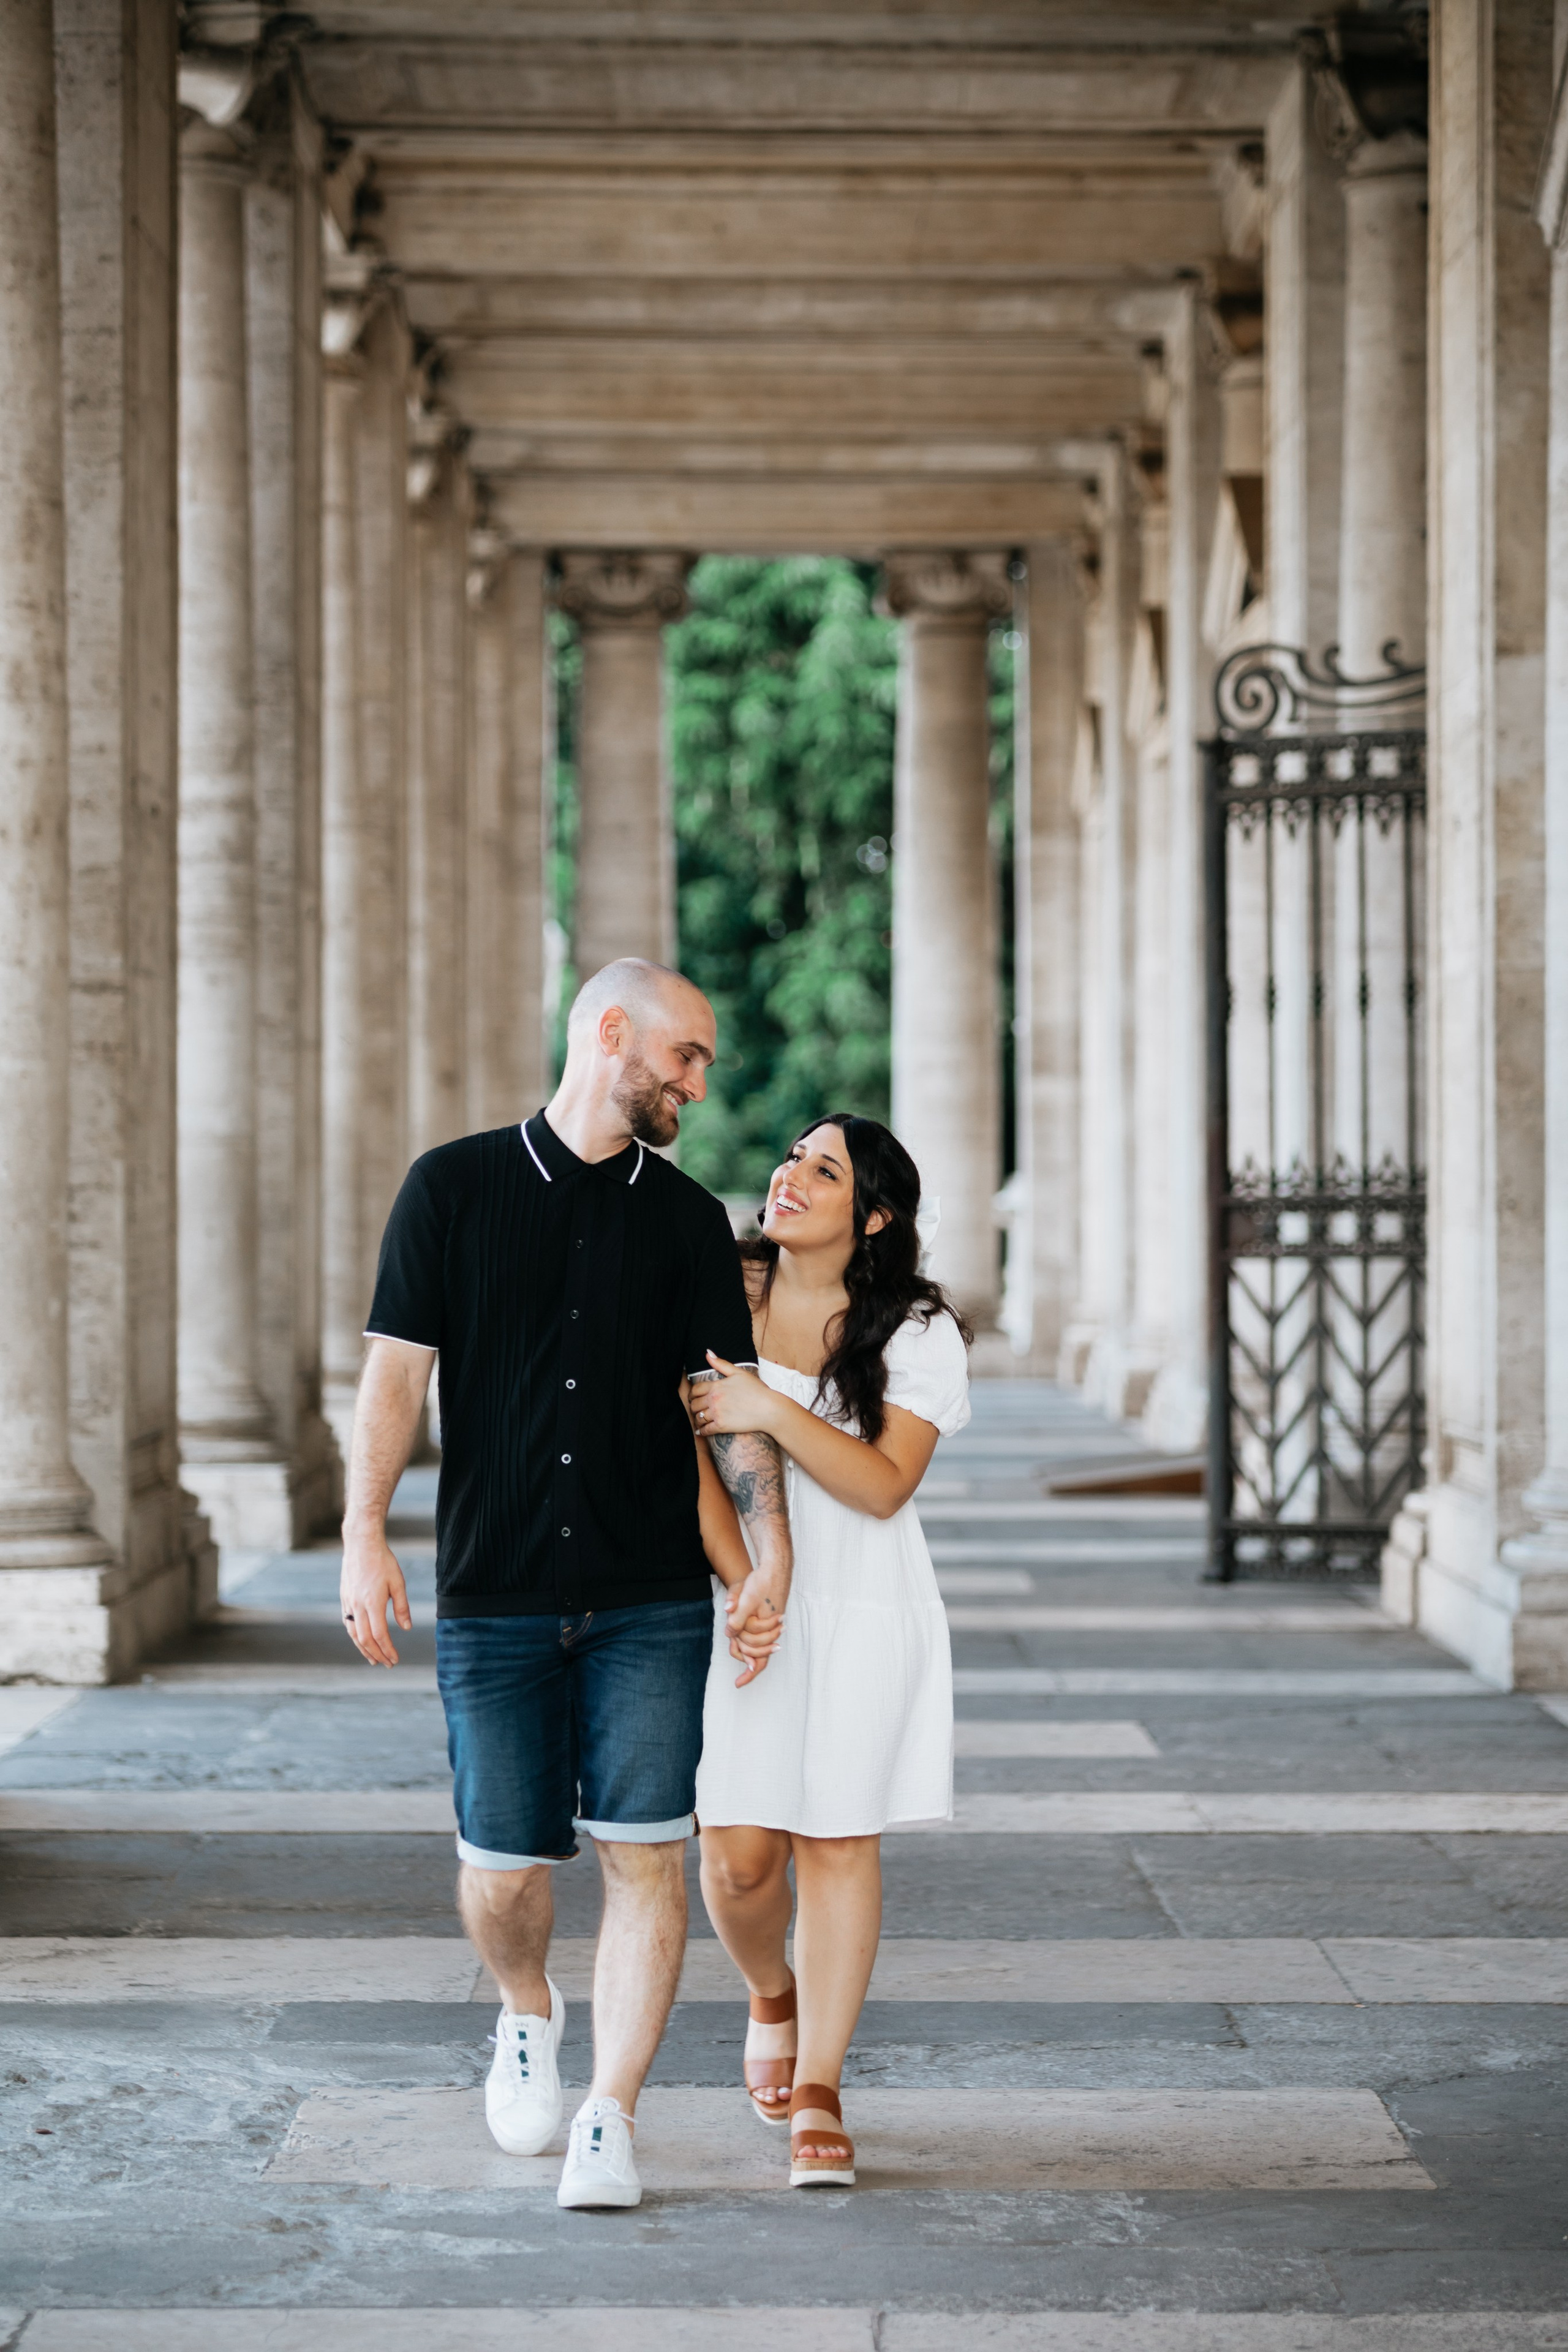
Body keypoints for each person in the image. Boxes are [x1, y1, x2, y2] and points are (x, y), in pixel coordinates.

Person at [337, 959, 793, 2211]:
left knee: (647, 1858)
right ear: (612, 1033)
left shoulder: (688, 1221)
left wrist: (766, 1559)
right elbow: (395, 1375)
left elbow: (724, 1407)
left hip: (650, 1599)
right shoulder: (450, 1188)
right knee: (503, 1868)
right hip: (495, 1591)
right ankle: (525, 2010)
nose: (699, 1084)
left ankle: (610, 2115)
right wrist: (364, 1532)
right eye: (686, 1056)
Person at [687, 1113, 971, 2188]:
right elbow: (687, 1456)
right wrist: (744, 1582)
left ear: (875, 1216)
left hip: (863, 1599)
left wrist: (769, 1403)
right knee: (738, 1856)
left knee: (840, 1839)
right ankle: (773, 1992)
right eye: (792, 1158)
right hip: (742, 1598)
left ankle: (820, 2085)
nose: (791, 1177)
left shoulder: (917, 1330)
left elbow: (884, 1484)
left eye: (825, 1169)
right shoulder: (720, 1289)